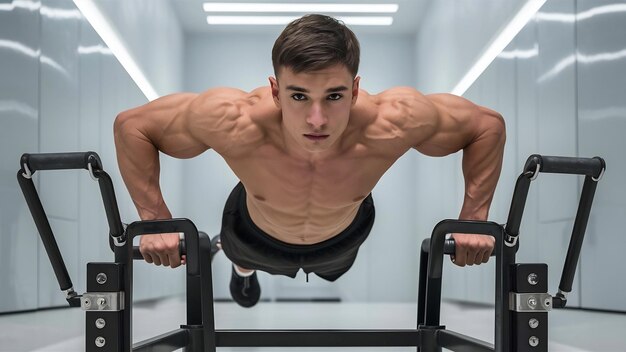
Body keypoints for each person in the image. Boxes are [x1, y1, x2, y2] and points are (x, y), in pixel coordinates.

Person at [113, 14, 505, 308]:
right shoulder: (232, 119)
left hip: (343, 237)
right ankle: (241, 269)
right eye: (298, 96)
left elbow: (486, 126)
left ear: (354, 90)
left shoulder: (394, 120)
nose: (317, 120)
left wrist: (474, 217)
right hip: (252, 231)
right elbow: (134, 126)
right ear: (274, 90)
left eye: (333, 96)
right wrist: (154, 220)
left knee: (335, 269)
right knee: (242, 257)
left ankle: (254, 262)